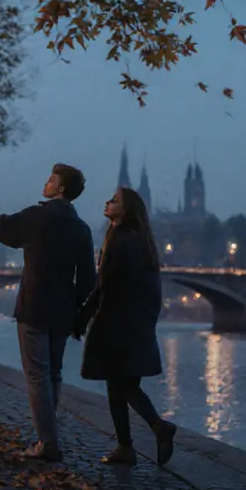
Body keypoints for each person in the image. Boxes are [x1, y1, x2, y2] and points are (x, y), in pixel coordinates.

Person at [0, 164, 97, 462]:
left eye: (50, 180)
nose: (45, 183)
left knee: (36, 376)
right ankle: (49, 437)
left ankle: (47, 444)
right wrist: (79, 319)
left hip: (34, 307)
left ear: (59, 189)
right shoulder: (82, 229)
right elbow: (87, 282)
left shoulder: (37, 217)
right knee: (54, 374)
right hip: (63, 312)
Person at [76, 187, 177, 467]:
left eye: (115, 200)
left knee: (121, 384)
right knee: (119, 384)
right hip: (131, 324)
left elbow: (109, 286)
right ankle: (126, 446)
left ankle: (158, 428)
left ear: (128, 209)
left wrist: (85, 315)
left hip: (121, 325)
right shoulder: (131, 239)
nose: (107, 202)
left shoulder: (124, 241)